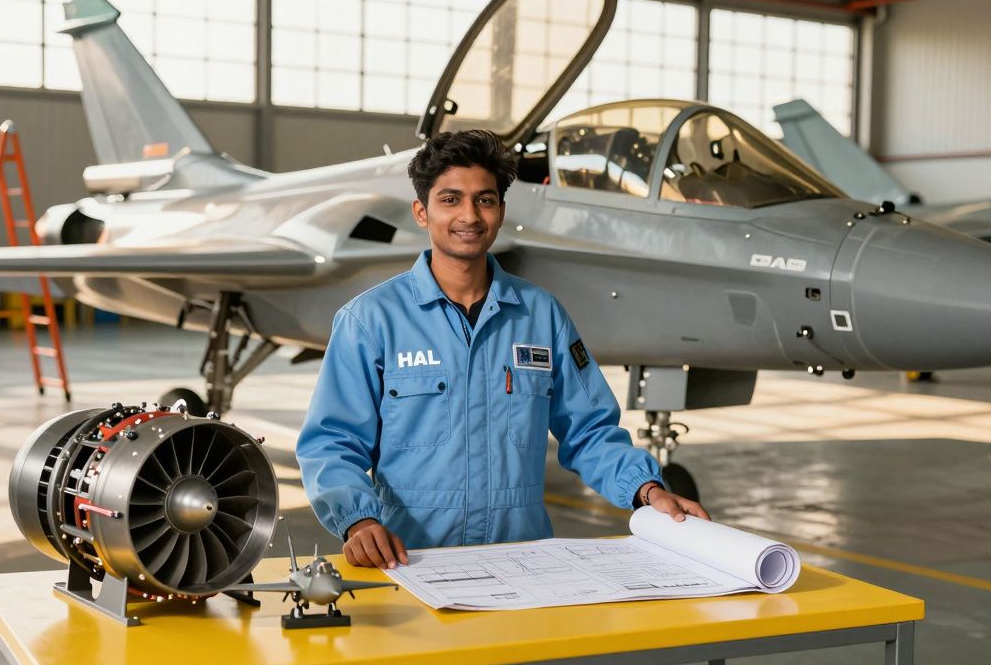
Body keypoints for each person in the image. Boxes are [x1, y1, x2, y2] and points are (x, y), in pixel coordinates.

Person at [296, 130, 707, 570]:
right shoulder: (371, 321)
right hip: (412, 563)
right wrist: (358, 521)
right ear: (422, 212)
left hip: (524, 565)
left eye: (485, 200)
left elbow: (589, 432)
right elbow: (332, 442)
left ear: (501, 210)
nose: (469, 216)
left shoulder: (541, 316)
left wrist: (647, 491)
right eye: (450, 199)